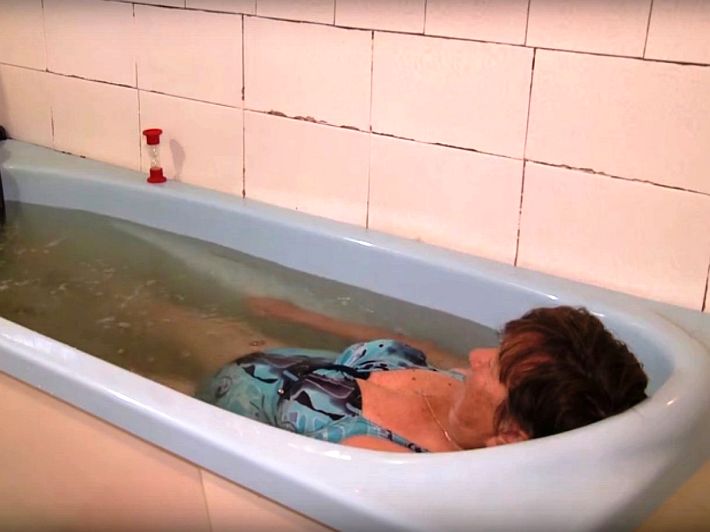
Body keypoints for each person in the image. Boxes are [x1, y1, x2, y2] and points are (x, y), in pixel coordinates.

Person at [197, 299, 649, 453]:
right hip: (276, 352)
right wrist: (301, 316)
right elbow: (420, 344)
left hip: (220, 396)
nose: (476, 355)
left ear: (511, 435)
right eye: (499, 346)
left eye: (495, 365)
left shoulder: (392, 456)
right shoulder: (469, 395)